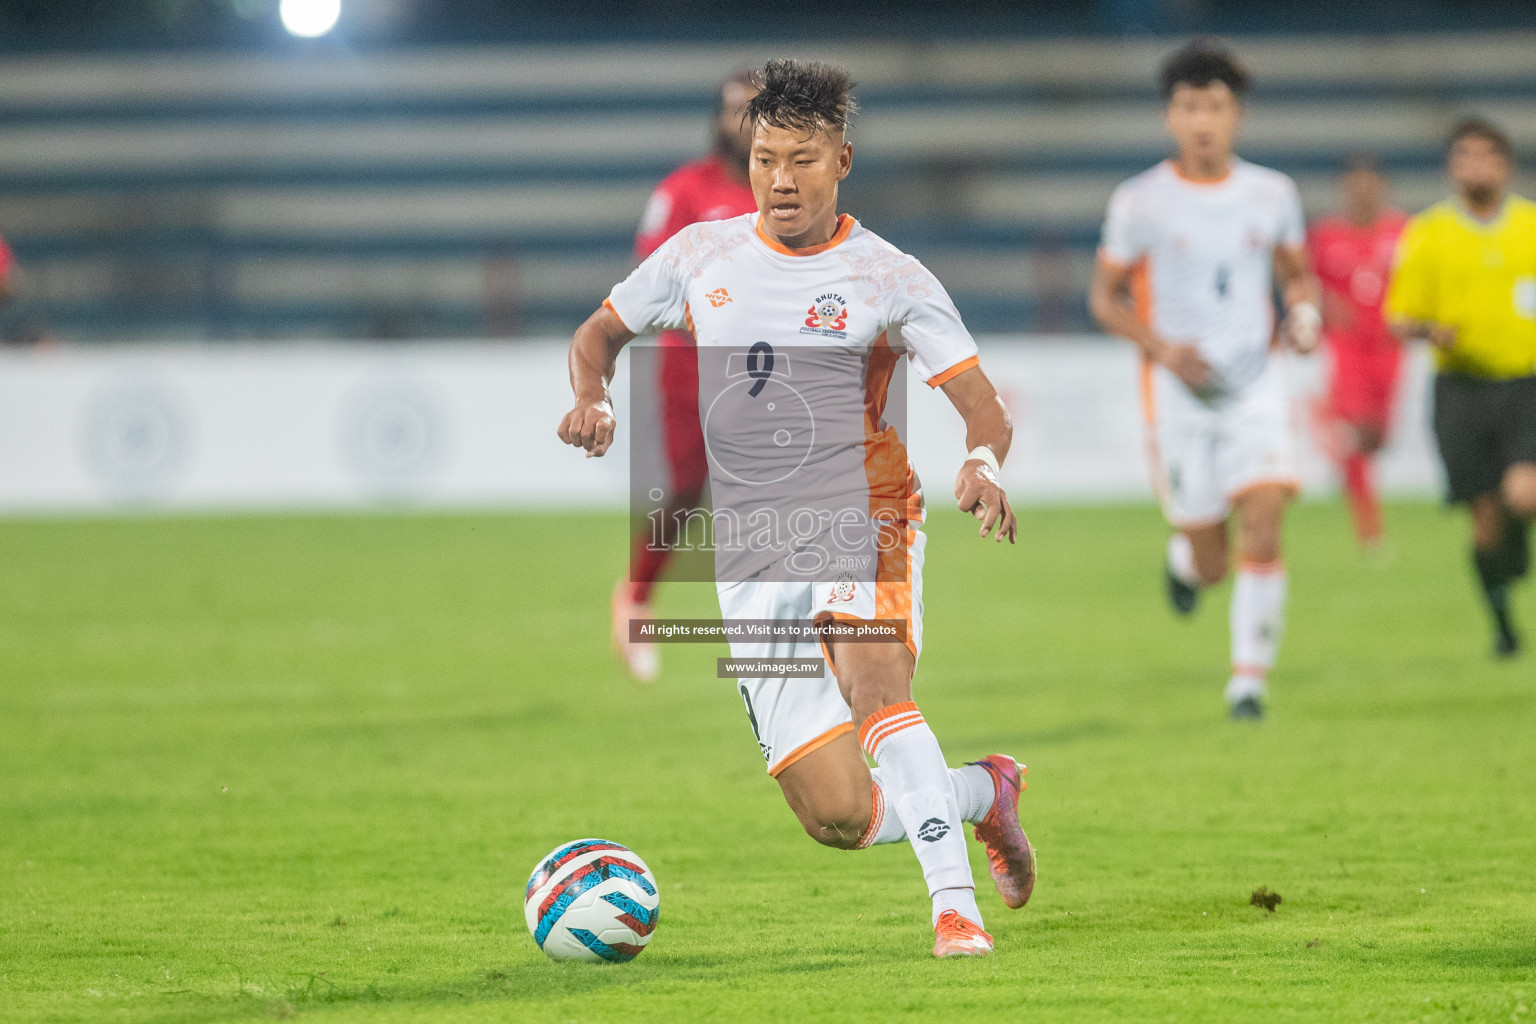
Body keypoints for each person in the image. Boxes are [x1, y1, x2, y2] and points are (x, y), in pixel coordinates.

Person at [559, 59, 1035, 958]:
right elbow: (598, 335)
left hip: (867, 517)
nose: (781, 179)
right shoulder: (701, 257)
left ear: (842, 160)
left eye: (803, 160)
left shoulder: (889, 275)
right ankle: (984, 792)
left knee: (874, 686)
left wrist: (982, 461)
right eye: (766, 157)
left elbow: (982, 402)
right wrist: (598, 399)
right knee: (837, 815)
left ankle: (954, 912)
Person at [1088, 39, 1321, 720]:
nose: (1202, 121)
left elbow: (1295, 273)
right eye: (1190, 107)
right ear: (1171, 116)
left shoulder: (1272, 193)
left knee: (1267, 521)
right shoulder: (1140, 202)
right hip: (1181, 394)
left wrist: (1303, 313)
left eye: (1215, 107)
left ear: (1235, 115)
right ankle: (1186, 560)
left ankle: (1247, 681)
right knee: (1213, 561)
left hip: (1256, 385)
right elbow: (1105, 299)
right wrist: (1162, 348)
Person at [611, 72, 761, 682]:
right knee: (687, 489)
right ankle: (636, 597)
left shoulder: (783, 190)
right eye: (734, 110)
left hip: (764, 367)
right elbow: (650, 276)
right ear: (718, 119)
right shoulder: (684, 190)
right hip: (690, 365)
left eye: (754, 111)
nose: (743, 122)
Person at [1385, 118, 1536, 658]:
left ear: (1506, 165)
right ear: (1452, 167)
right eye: (1465, 156)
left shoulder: (1530, 227)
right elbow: (1398, 318)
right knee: (1486, 520)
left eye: (1487, 155)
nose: (1476, 166)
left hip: (1526, 385)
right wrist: (1431, 330)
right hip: (1461, 390)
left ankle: (1517, 556)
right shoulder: (1429, 233)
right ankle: (1503, 624)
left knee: (1525, 493)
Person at [1308, 156, 1408, 552]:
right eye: (1355, 185)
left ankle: (1350, 474)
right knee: (1357, 426)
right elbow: (1305, 284)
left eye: (1369, 184)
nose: (1362, 192)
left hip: (1389, 345)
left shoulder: (1403, 231)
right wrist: (1325, 305)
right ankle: (1369, 525)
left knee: (1378, 436)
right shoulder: (1326, 235)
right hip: (1346, 344)